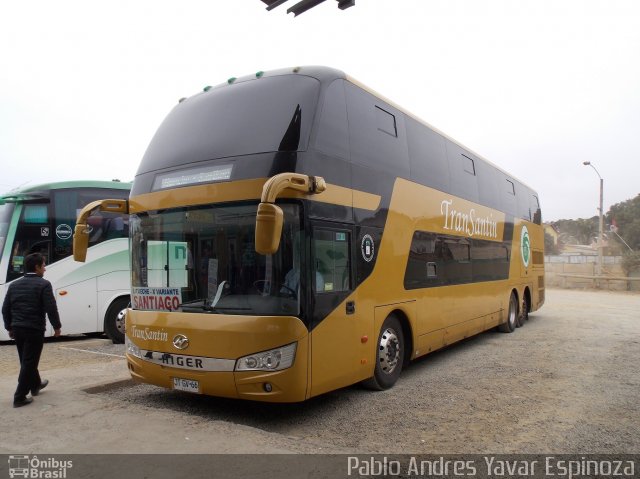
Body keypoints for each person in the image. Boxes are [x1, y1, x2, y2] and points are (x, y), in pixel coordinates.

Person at [2, 253, 62, 408]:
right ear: (36, 267)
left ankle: (35, 385)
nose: (45, 269)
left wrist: (9, 326)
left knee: (26, 359)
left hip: (18, 328)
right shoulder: (44, 284)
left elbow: (5, 308)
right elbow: (50, 307)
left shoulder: (14, 285)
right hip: (34, 329)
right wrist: (57, 326)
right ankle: (19, 397)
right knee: (29, 361)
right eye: (43, 265)